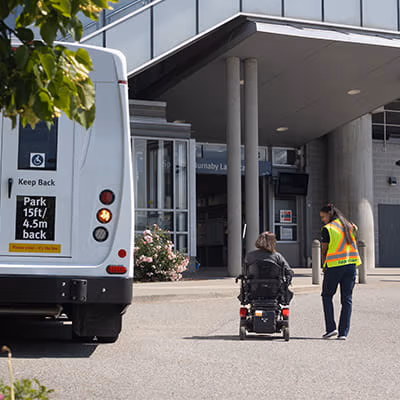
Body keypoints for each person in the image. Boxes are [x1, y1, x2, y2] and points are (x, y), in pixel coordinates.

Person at [320, 203, 361, 340]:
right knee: (347, 299)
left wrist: (323, 264)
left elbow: (324, 250)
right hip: (350, 266)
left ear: (329, 214)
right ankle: (343, 333)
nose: (322, 219)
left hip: (334, 267)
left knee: (327, 296)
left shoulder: (328, 229)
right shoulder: (350, 225)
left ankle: (331, 328)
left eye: (323, 216)